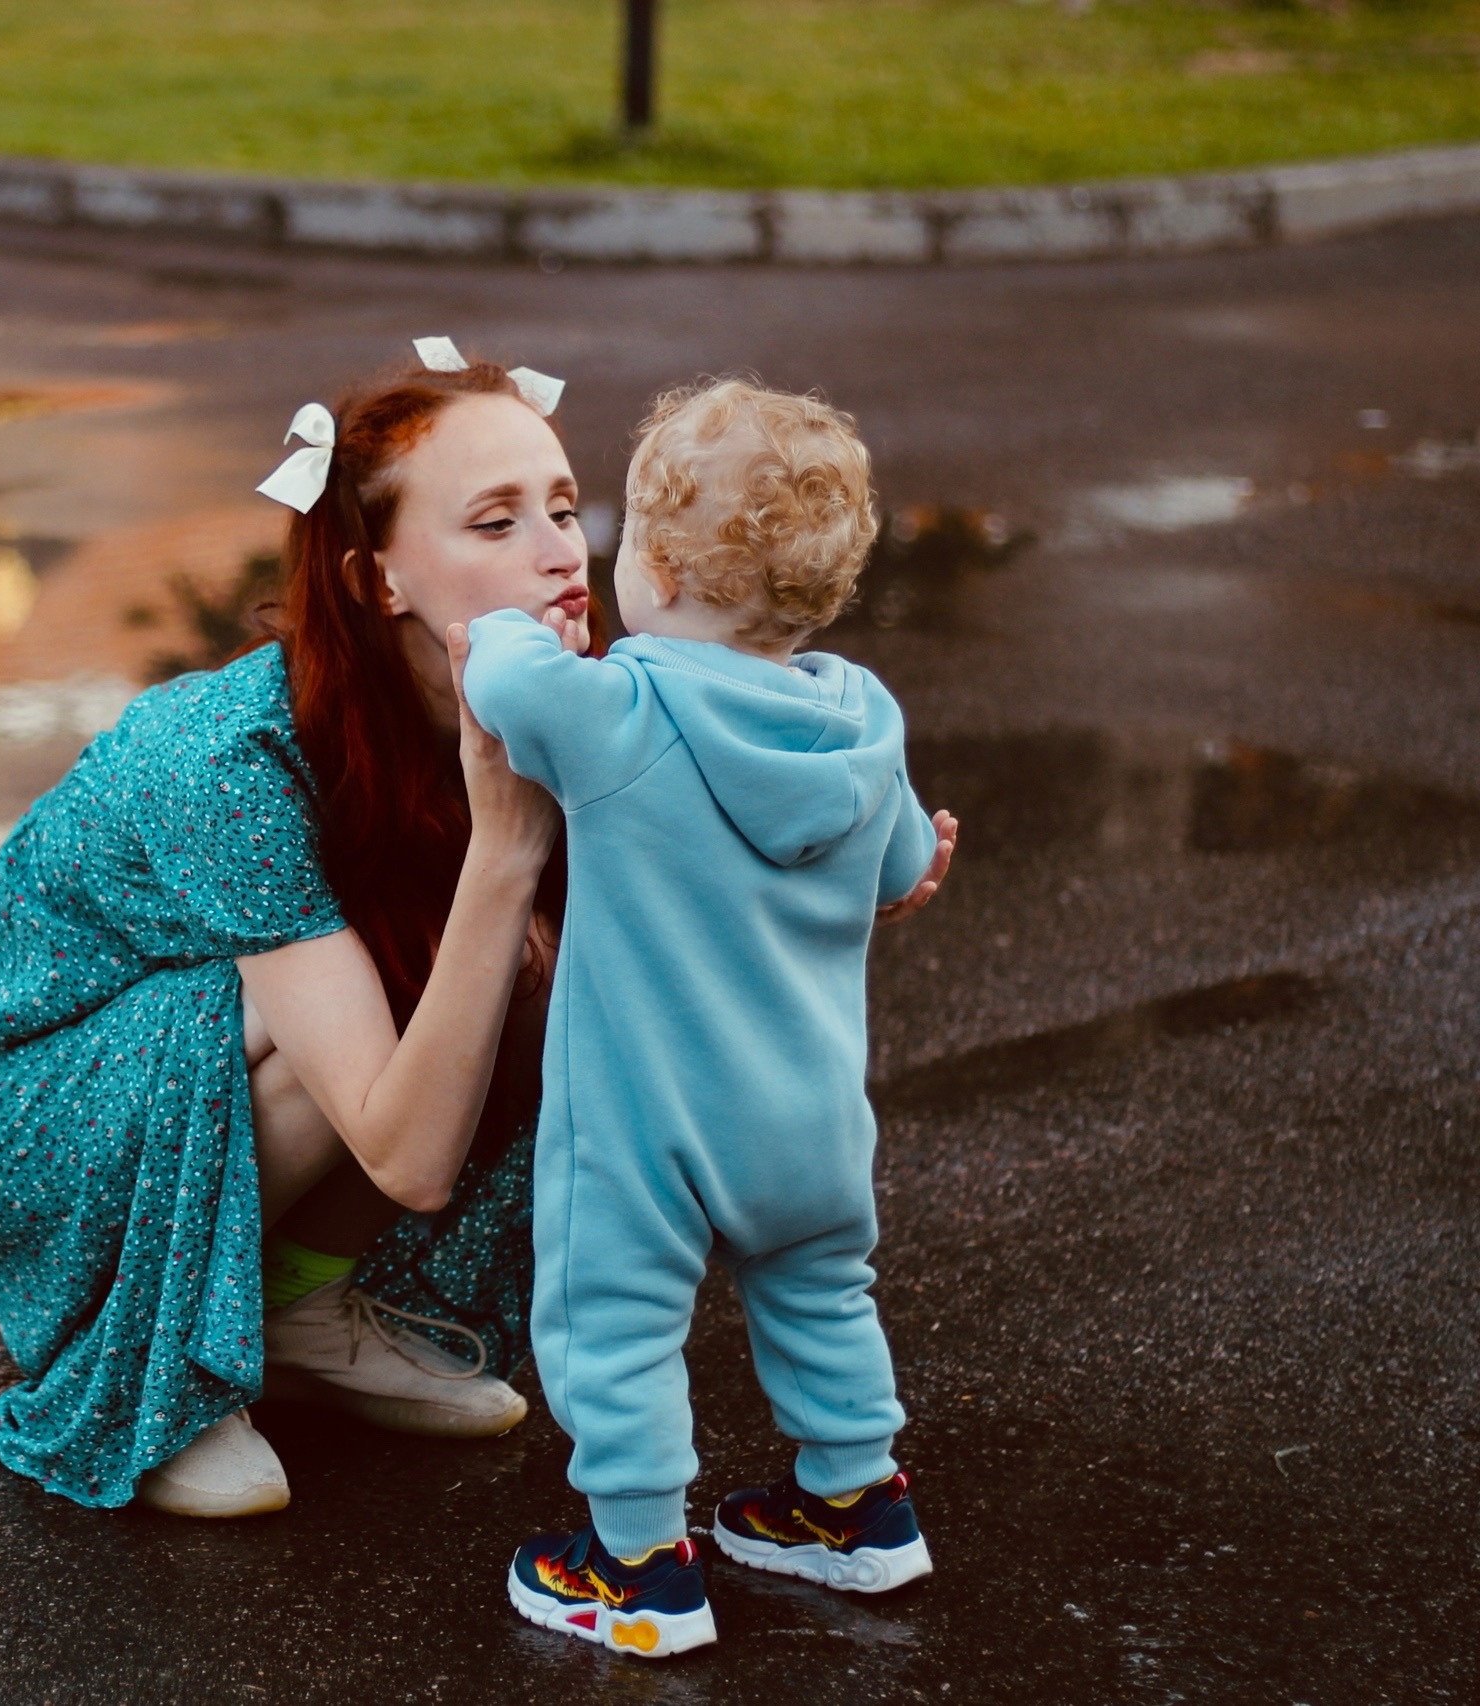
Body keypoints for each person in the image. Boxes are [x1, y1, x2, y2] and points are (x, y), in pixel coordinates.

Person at [0, 349, 954, 1521]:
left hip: (226, 1060)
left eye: (560, 508)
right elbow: (411, 1156)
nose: (558, 552)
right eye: (494, 522)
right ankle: (163, 1367)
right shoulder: (226, 758)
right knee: (401, 978)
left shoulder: (549, 698)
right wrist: (503, 849)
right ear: (377, 576)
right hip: (25, 1098)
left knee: (547, 969)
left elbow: (673, 889)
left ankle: (294, 1304)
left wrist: (843, 879)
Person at [463, 379, 958, 1657]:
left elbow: (507, 676)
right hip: (808, 1122)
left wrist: (512, 613)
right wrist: (903, 866)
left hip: (649, 1126)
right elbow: (903, 865)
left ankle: (637, 1564)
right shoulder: (861, 721)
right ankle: (855, 1503)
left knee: (612, 1320)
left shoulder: (618, 711)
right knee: (820, 1292)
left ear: (662, 564)